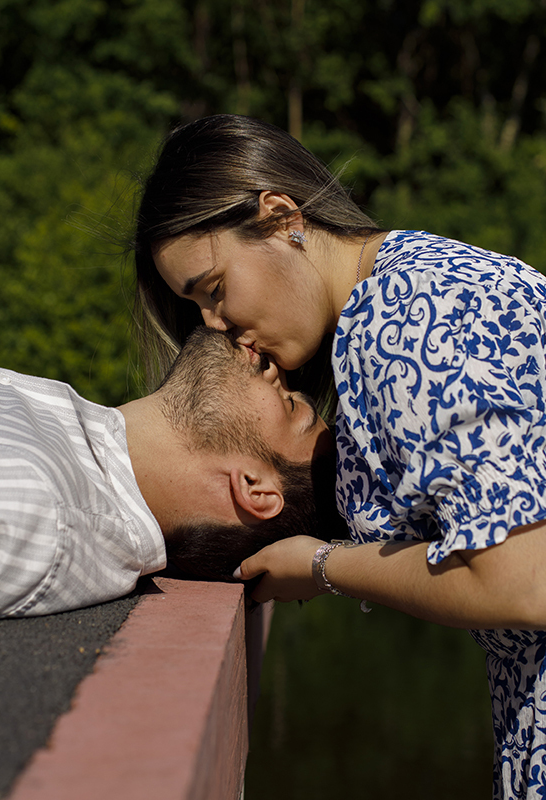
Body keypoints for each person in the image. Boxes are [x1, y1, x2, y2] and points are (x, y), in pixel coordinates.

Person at [133, 113, 546, 798]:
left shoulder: (398, 322)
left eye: (213, 289)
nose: (213, 326)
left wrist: (323, 566)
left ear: (279, 216)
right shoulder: (427, 279)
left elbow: (522, 580)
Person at [0, 326, 341, 618]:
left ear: (254, 488)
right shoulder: (75, 455)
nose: (275, 369)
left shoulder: (42, 513)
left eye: (291, 408)